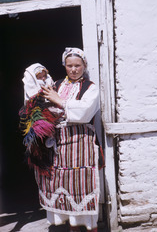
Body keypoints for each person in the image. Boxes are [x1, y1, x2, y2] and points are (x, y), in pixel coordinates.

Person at [38, 47, 100, 232]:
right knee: (62, 184)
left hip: (80, 143)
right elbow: (44, 108)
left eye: (77, 65)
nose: (73, 69)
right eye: (69, 65)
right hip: (58, 144)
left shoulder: (90, 88)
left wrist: (61, 102)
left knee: (81, 186)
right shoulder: (56, 85)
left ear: (84, 65)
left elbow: (84, 112)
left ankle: (90, 228)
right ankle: (73, 228)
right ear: (64, 65)